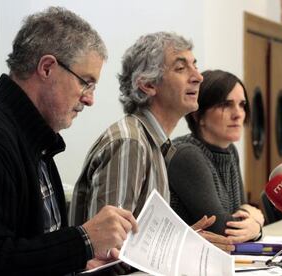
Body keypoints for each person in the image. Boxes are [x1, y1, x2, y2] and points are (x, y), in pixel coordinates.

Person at [0, 7, 138, 275]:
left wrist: (80, 260)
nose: (89, 99)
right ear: (47, 68)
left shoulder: (32, 140)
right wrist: (83, 240)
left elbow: (30, 248)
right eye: (86, 83)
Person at [69, 32, 234, 252]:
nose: (198, 77)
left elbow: (138, 243)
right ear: (147, 84)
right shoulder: (131, 143)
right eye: (181, 68)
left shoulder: (154, 144)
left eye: (195, 65)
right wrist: (180, 247)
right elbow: (109, 252)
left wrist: (182, 241)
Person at [168, 69, 265, 243]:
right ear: (198, 115)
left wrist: (251, 224)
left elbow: (241, 212)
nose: (238, 114)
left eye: (242, 105)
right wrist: (257, 223)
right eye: (226, 105)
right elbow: (221, 229)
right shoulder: (186, 154)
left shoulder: (229, 151)